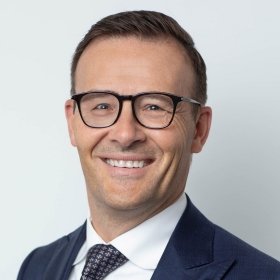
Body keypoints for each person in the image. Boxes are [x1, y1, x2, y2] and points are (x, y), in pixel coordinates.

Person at [17, 10, 280, 280]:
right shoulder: (37, 267)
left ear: (199, 130)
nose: (125, 133)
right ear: (72, 123)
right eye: (102, 105)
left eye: (154, 106)